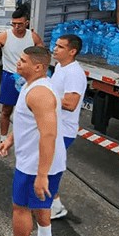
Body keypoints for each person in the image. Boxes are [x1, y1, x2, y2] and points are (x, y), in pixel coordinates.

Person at [0, 46, 66, 236]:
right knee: (41, 203)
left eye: (23, 61)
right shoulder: (31, 85)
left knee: (21, 207)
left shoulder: (40, 93)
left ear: (39, 67)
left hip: (35, 165)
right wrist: (10, 140)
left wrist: (41, 175)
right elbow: (28, 122)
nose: (18, 62)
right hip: (41, 163)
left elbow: (49, 134)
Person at [0, 6, 44, 144]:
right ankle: (3, 139)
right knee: (6, 110)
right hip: (10, 77)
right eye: (13, 24)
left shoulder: (33, 37)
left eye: (20, 24)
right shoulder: (4, 36)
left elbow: (43, 55)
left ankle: (28, 139)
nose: (16, 27)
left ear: (26, 23)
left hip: (28, 79)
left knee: (30, 111)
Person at [49, 34, 87, 220]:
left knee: (51, 169)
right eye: (56, 45)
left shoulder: (74, 74)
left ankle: (52, 208)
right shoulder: (59, 67)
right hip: (53, 127)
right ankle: (53, 204)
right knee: (46, 166)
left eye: (60, 47)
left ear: (72, 51)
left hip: (63, 131)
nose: (55, 49)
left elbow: (71, 104)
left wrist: (44, 96)